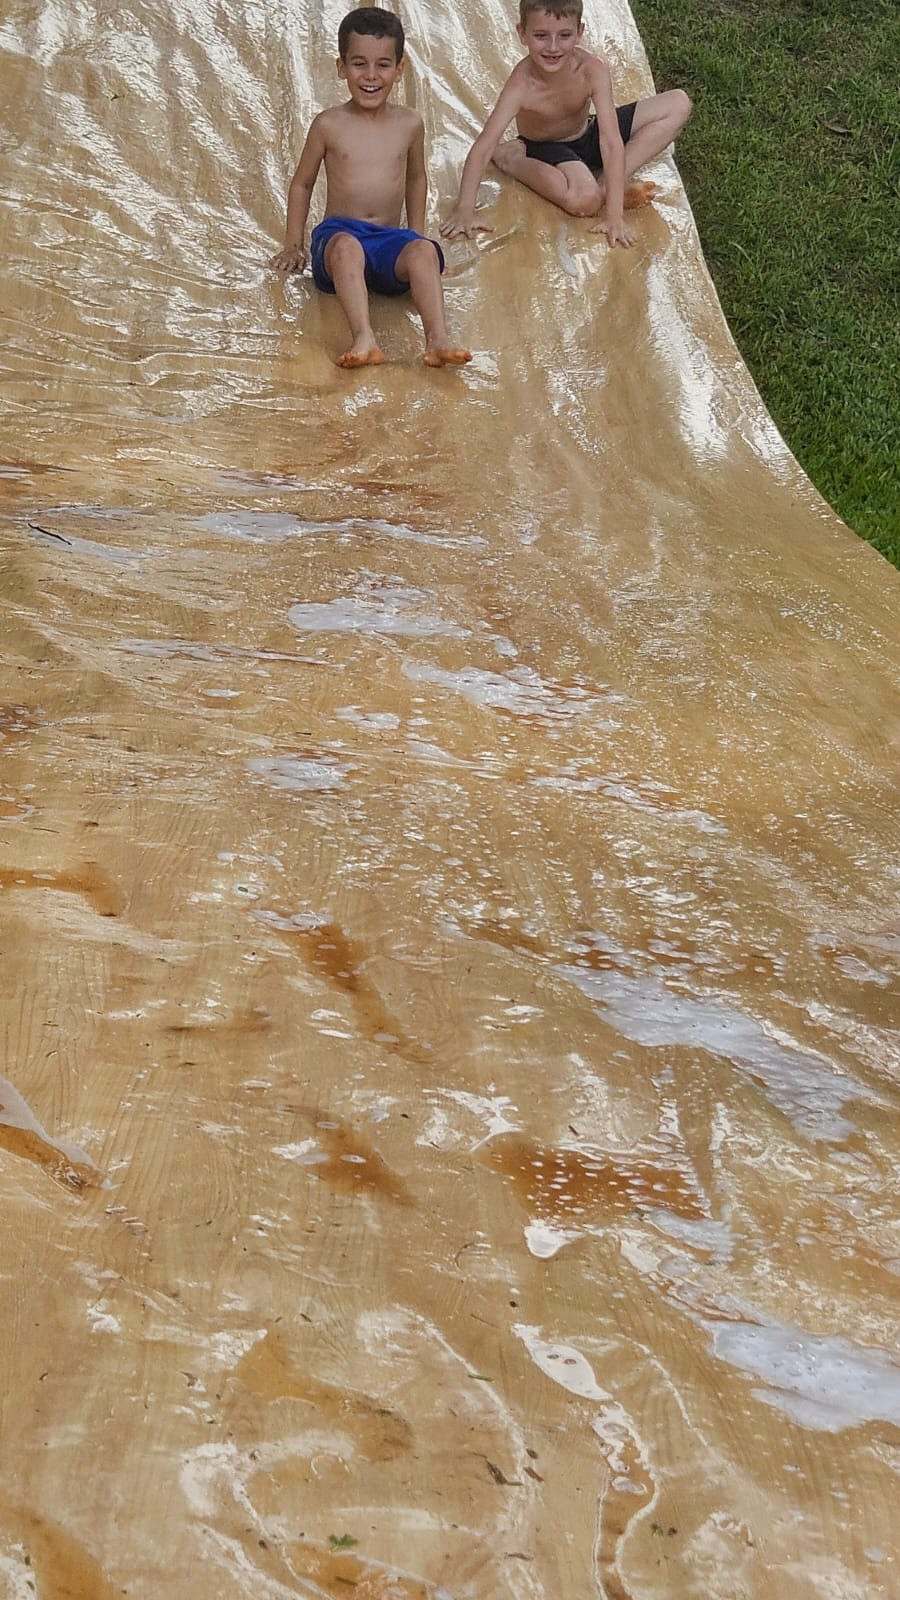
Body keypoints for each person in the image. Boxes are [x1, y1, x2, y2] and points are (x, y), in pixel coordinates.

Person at [269, 6, 471, 368]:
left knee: (424, 251)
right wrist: (293, 244)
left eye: (383, 64)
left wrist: (416, 235)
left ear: (400, 69)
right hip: (338, 236)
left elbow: (416, 178)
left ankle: (438, 338)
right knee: (347, 248)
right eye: (359, 64)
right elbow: (302, 183)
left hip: (388, 240)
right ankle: (364, 337)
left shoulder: (410, 124)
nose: (371, 75)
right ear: (341, 67)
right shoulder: (328, 124)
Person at [441, 0, 691, 248]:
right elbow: (484, 145)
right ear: (522, 33)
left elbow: (610, 141)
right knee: (586, 201)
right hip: (547, 147)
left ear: (579, 33)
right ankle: (510, 158)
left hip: (587, 131)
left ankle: (605, 186)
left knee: (678, 103)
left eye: (564, 35)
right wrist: (464, 210)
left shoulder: (591, 69)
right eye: (541, 35)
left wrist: (614, 216)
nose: (553, 47)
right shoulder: (522, 84)